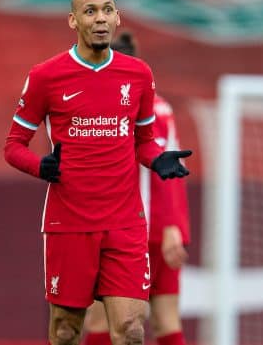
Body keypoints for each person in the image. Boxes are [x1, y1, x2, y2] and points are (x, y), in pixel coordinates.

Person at [4, 0, 192, 345]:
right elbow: (13, 147)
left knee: (132, 331)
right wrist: (39, 166)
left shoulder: (138, 75)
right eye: (90, 11)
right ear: (74, 21)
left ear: (117, 17)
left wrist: (157, 158)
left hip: (124, 222)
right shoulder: (46, 76)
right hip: (69, 222)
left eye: (108, 10)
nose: (100, 18)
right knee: (66, 331)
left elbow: (143, 141)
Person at [82, 32, 191, 345]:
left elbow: (159, 167)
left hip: (125, 228)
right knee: (165, 317)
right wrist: (174, 225)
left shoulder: (110, 109)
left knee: (104, 316)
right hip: (160, 227)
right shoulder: (162, 109)